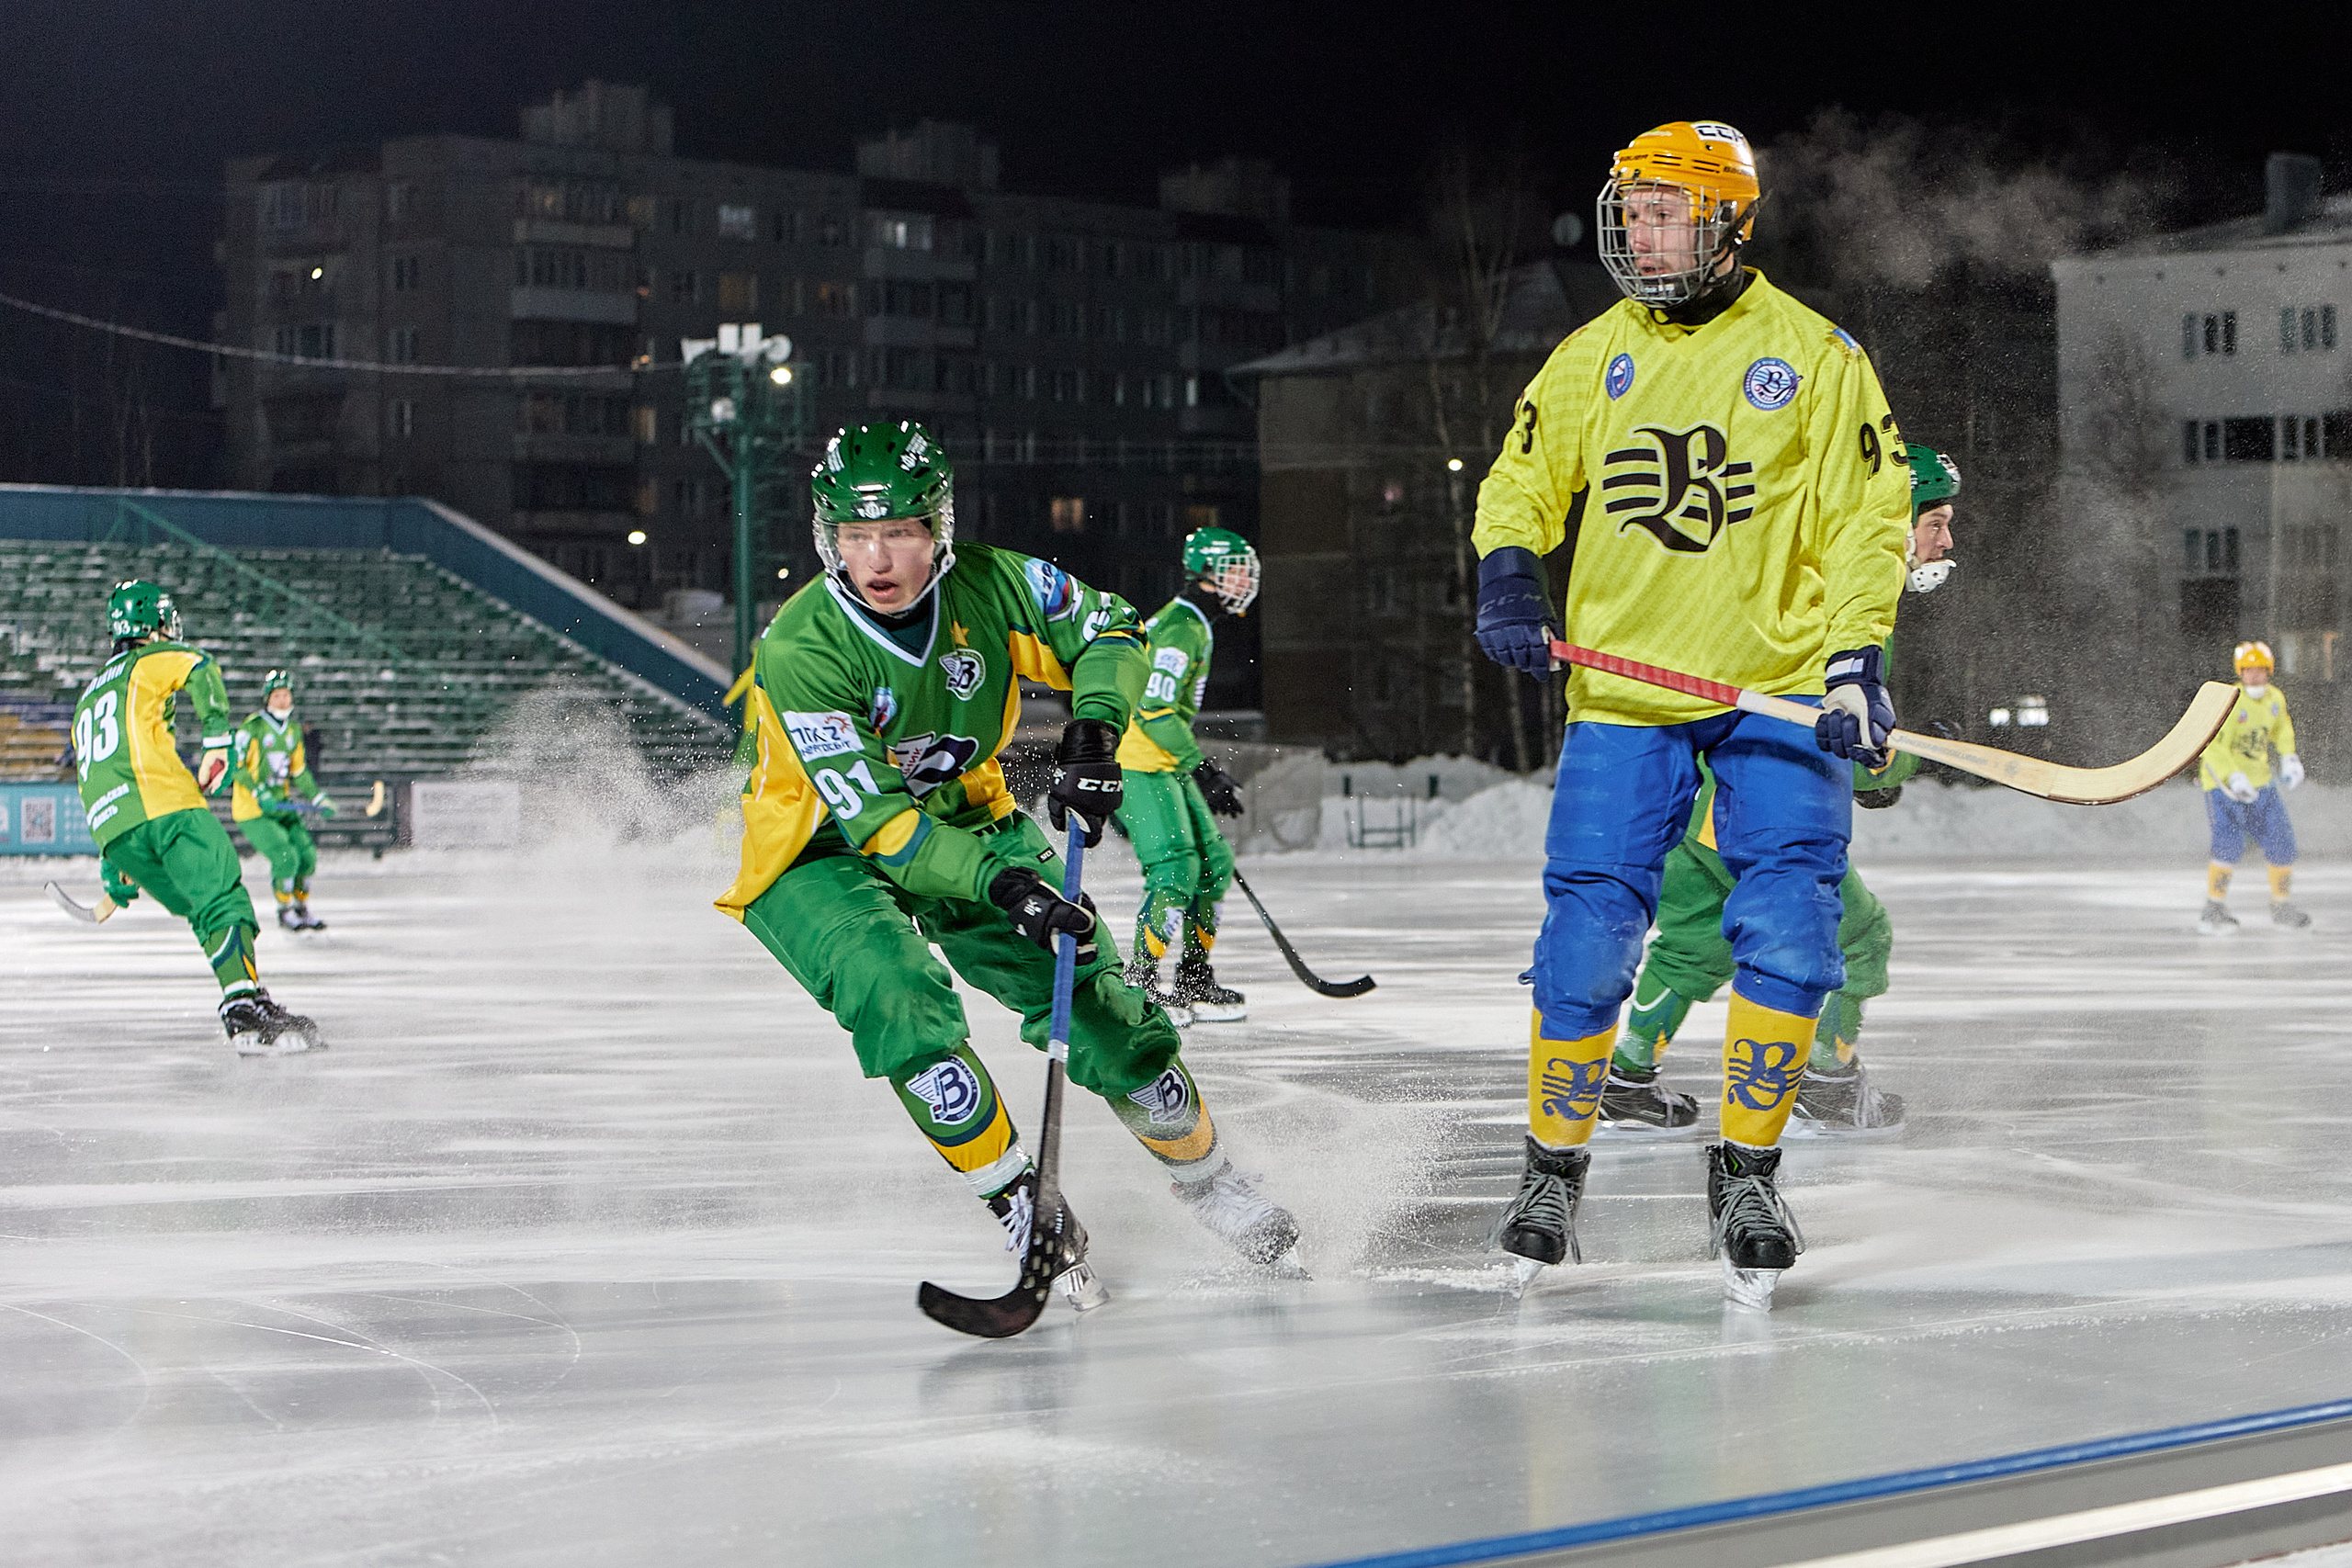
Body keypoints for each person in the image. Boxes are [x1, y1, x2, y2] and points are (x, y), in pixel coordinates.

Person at [1468, 120, 1911, 1303]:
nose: (1641, 232)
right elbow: (1519, 478)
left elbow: (1871, 517)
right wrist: (1509, 565)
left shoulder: (1817, 359)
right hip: (1624, 695)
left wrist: (1857, 657)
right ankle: (1552, 1173)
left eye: (1665, 211)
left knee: (1795, 932)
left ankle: (1749, 1170)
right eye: (1633, 210)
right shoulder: (1588, 356)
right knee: (1583, 943)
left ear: (1728, 221)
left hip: (1772, 694)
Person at [714, 422, 1300, 1310]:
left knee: (1099, 998)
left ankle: (1212, 1179)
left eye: (902, 532)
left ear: (939, 530)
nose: (879, 559)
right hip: (817, 848)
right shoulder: (801, 648)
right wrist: (1007, 885)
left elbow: (1111, 626)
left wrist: (1095, 724)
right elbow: (880, 825)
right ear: (827, 536)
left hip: (963, 809)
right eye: (857, 535)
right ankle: (1025, 1205)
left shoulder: (993, 583)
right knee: (897, 994)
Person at [1601, 444, 1962, 1138]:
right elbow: (1821, 735)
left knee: (1696, 941)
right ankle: (1826, 1080)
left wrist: (1878, 763)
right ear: (1892, 517)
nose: (1945, 540)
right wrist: (1908, 762)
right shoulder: (1851, 601)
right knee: (1859, 936)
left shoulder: (1797, 570)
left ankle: (1627, 1079)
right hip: (1751, 805)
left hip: (1687, 791)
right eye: (1934, 521)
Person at [70, 581, 320, 1054]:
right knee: (223, 896)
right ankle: (244, 1007)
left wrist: (112, 858)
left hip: (114, 829)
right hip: (166, 807)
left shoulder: (87, 696)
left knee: (201, 908)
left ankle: (240, 995)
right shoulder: (147, 660)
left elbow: (91, 773)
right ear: (151, 624)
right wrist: (216, 740)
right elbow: (200, 666)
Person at [1113, 525, 1261, 1025]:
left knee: (1214, 862)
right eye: (1237, 569)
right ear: (1210, 574)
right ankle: (1142, 982)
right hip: (1141, 760)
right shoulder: (1180, 627)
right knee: (1175, 868)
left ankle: (1193, 978)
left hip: (1164, 761)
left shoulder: (1195, 623)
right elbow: (1153, 709)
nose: (1245, 579)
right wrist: (1203, 769)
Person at [2198, 640, 2307, 933]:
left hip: (2260, 782)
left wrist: (2289, 757)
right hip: (2222, 784)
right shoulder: (2229, 701)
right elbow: (2211, 745)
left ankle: (2282, 904)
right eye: (2249, 670)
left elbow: (2282, 728)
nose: (2255, 676)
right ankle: (2214, 905)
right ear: (2240, 672)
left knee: (2281, 840)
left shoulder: (2274, 698)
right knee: (2228, 843)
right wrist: (2232, 777)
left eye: (2261, 670)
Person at [232, 669, 339, 931]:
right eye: (277, 695)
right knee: (285, 856)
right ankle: (284, 911)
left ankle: (302, 908)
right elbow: (237, 765)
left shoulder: (292, 730)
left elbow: (299, 771)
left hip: (283, 806)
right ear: (267, 698)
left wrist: (318, 797)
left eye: (286, 695)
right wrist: (259, 792)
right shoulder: (253, 726)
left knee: (307, 856)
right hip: (254, 810)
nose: (282, 700)